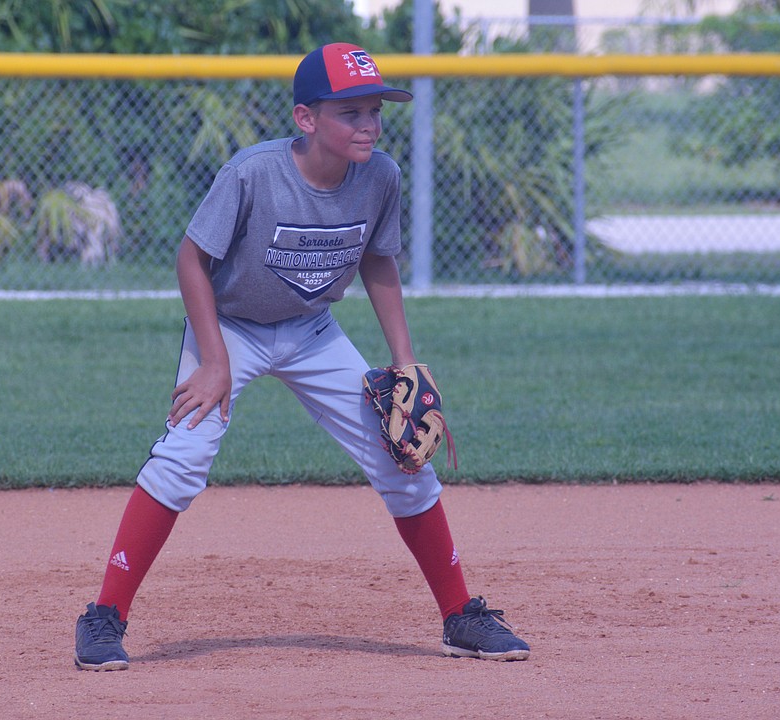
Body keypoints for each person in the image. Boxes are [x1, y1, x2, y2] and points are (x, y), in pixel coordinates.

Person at [73, 42, 530, 671]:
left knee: (403, 458)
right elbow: (191, 260)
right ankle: (104, 618)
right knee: (184, 456)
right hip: (230, 327)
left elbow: (377, 259)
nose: (367, 124)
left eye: (374, 110)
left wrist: (405, 364)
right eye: (350, 112)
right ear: (306, 119)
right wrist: (213, 360)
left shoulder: (381, 176)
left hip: (314, 330)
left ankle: (460, 617)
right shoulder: (253, 174)